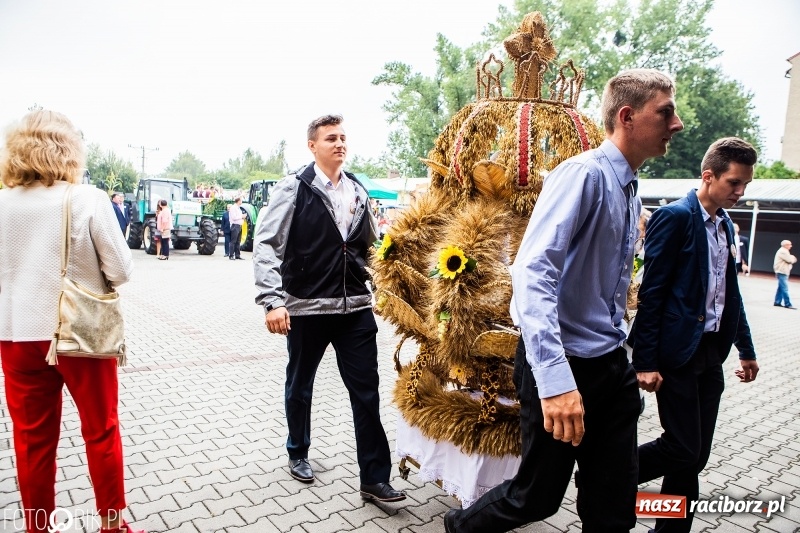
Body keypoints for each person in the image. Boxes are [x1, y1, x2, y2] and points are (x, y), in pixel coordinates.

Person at [444, 68, 684, 533]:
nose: (676, 124)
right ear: (628, 116)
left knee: (613, 505)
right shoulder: (583, 175)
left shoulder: (630, 187)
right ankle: (460, 527)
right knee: (536, 498)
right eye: (666, 112)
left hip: (612, 368)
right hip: (561, 366)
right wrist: (555, 383)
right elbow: (533, 274)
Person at [0, 109, 145, 533]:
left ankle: (38, 527)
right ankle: (112, 524)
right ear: (69, 150)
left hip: (16, 335)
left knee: (31, 441)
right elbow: (121, 271)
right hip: (79, 334)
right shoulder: (86, 199)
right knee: (101, 431)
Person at [253, 114, 406, 503]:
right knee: (300, 386)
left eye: (342, 137)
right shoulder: (294, 188)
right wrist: (273, 300)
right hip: (305, 308)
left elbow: (371, 247)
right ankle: (298, 451)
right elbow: (267, 244)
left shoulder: (357, 191)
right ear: (312, 146)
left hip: (354, 308)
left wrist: (389, 282)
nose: (339, 144)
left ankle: (374, 478)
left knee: (366, 392)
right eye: (330, 138)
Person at [632, 137, 759, 533]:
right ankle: (606, 475)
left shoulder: (724, 225)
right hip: (677, 355)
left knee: (694, 458)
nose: (740, 192)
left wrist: (746, 349)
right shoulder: (675, 217)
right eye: (734, 184)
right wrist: (646, 361)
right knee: (682, 447)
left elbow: (729, 294)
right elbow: (651, 293)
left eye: (745, 186)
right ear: (709, 176)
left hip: (712, 353)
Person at [773, 239, 797, 309]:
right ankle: (788, 304)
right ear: (785, 245)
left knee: (781, 288)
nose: (791, 246)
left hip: (782, 271)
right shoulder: (783, 251)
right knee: (784, 288)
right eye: (790, 244)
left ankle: (777, 302)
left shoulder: (784, 251)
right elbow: (790, 260)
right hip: (782, 271)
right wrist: (793, 258)